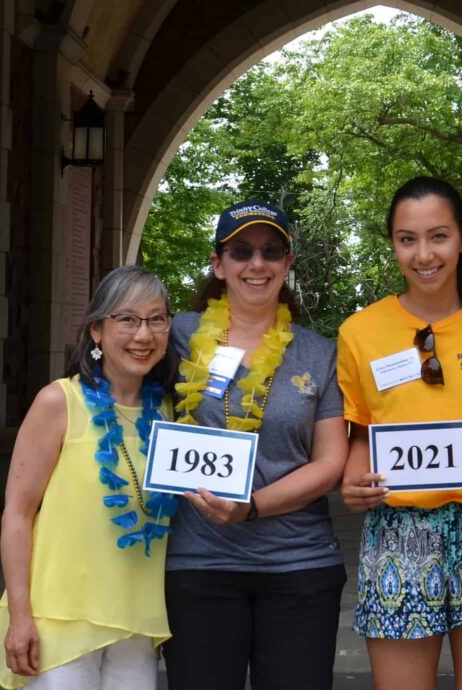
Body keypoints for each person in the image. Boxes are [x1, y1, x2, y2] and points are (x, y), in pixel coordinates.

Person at [338, 177, 462, 690]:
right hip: (399, 532)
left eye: (438, 236)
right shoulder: (361, 331)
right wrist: (355, 480)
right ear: (393, 245)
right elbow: (360, 430)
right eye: (408, 239)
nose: (423, 254)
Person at [163, 200, 348, 690]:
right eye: (241, 250)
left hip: (300, 565)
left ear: (287, 263)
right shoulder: (176, 336)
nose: (257, 264)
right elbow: (114, 372)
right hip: (199, 563)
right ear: (218, 262)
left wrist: (252, 507)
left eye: (271, 251)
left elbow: (330, 464)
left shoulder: (319, 352)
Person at [0, 266, 180, 689]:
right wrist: (21, 615)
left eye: (156, 319)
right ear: (96, 330)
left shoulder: (171, 413)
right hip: (61, 618)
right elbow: (17, 514)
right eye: (126, 319)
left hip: (136, 621)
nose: (142, 335)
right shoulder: (60, 401)